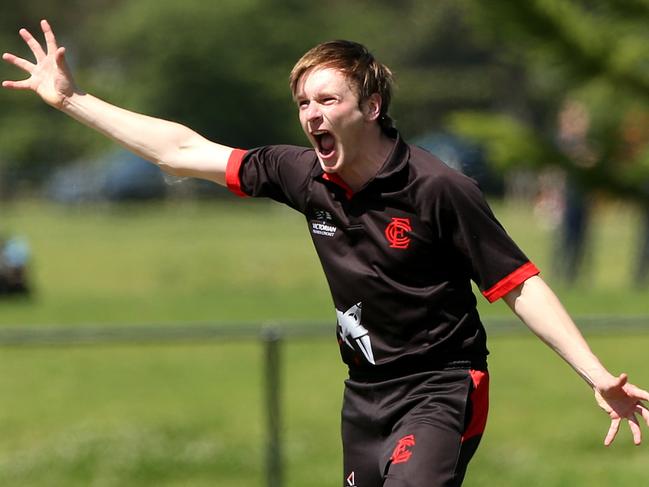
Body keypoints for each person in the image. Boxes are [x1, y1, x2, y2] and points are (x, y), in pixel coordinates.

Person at [3, 20, 648, 487]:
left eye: (327, 100)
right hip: (363, 399)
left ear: (370, 106)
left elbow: (519, 283)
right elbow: (182, 150)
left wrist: (594, 372)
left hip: (441, 388)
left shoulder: (439, 188)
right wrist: (71, 99)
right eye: (304, 103)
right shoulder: (303, 175)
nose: (311, 115)